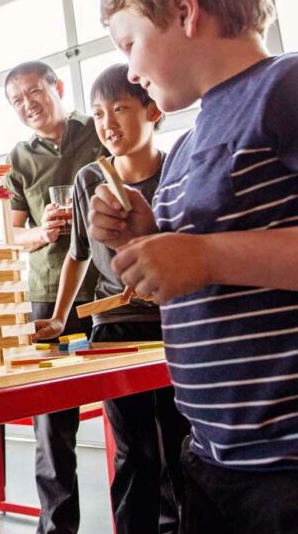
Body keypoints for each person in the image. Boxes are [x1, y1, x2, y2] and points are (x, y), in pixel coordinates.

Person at [89, 0, 298, 534]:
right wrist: (146, 238)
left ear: (184, 12)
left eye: (129, 44)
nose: (132, 71)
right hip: (215, 460)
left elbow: (213, 258)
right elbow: (201, 271)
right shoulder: (187, 145)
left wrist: (205, 256)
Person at [34, 64, 188, 533]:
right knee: (135, 450)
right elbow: (77, 255)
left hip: (174, 328)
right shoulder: (88, 179)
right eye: (99, 113)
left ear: (153, 110)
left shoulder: (179, 171)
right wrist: (59, 317)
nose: (107, 124)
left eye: (120, 109)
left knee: (181, 445)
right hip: (114, 329)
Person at [2, 61, 103, 534]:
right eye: (17, 101)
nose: (28, 105)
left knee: (133, 419)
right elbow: (13, 234)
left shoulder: (97, 130)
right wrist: (41, 233)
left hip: (108, 289)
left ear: (57, 87)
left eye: (34, 92)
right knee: (53, 429)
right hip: (46, 298)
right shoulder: (20, 157)